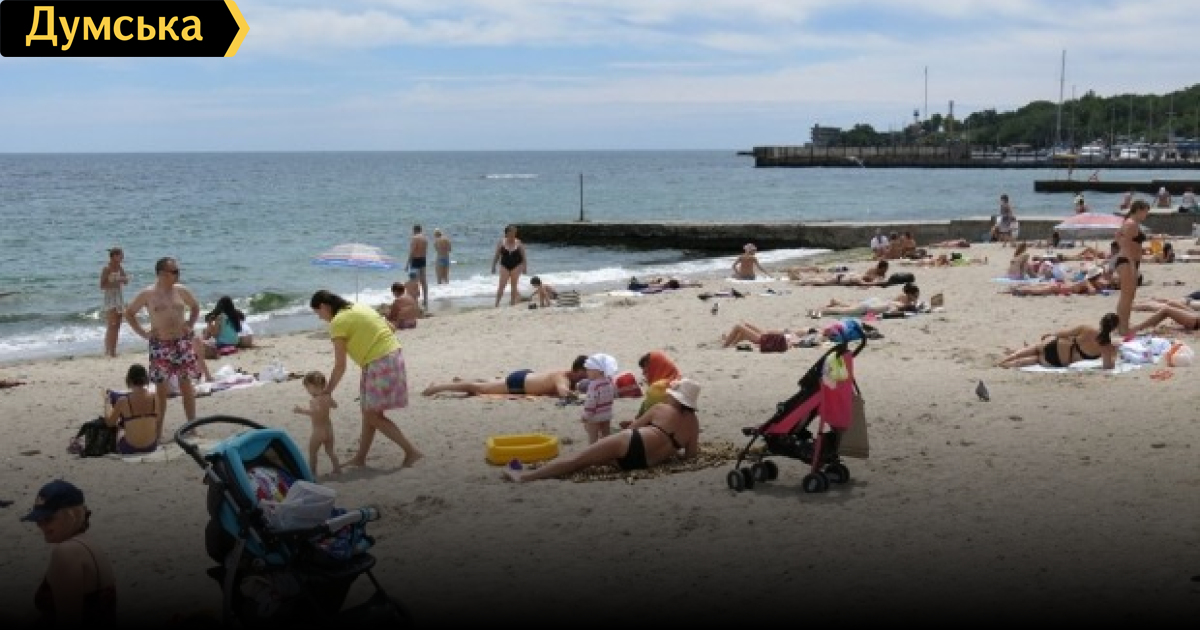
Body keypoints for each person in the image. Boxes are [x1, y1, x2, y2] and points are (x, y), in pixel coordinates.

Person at [503, 379, 701, 482]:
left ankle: (524, 477)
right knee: (587, 461)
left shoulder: (660, 409)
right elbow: (691, 455)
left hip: (630, 442)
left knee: (578, 460)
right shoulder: (693, 423)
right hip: (642, 463)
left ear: (675, 397)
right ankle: (539, 470)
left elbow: (633, 429)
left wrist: (630, 426)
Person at [309, 289, 422, 468]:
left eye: (318, 313)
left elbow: (340, 365)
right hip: (390, 356)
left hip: (379, 362)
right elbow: (391, 328)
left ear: (324, 306)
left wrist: (328, 390)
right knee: (368, 413)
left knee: (372, 416)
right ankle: (360, 458)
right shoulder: (359, 307)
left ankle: (411, 451)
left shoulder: (338, 322)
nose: (320, 318)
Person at [123, 257, 202, 442]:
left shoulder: (181, 290)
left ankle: (192, 427)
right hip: (161, 345)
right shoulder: (148, 294)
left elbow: (195, 306)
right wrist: (144, 333)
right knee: (161, 391)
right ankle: (158, 432)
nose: (177, 275)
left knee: (186, 386)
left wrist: (189, 324)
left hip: (182, 343)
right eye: (174, 272)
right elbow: (129, 313)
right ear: (161, 273)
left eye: (177, 271)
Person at [20, 480, 117, 628]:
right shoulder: (88, 544)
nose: (42, 525)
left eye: (48, 518)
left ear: (71, 515)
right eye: (38, 520)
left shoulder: (66, 553)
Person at [422, 356, 589, 398]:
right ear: (578, 370)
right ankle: (437, 388)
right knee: (476, 389)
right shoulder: (562, 377)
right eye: (585, 373)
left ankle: (461, 380)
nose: (587, 376)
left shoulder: (566, 373)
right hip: (518, 383)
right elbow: (563, 392)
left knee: (489, 383)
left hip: (526, 377)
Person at [997, 313, 1118, 369]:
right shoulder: (1107, 346)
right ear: (1114, 329)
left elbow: (1063, 333)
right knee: (1036, 359)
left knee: (1035, 348)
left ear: (1101, 322)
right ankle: (1009, 364)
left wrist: (1051, 334)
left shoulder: (1086, 328)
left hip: (1055, 344)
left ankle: (1003, 361)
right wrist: (1114, 353)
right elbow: (1108, 366)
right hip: (1058, 360)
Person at [294, 370, 343, 478]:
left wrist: (301, 411)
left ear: (313, 387)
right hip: (329, 430)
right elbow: (335, 406)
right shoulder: (327, 397)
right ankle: (337, 469)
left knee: (312, 453)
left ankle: (313, 473)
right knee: (330, 451)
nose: (307, 390)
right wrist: (329, 399)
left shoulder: (314, 401)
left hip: (318, 431)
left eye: (308, 387)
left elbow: (315, 412)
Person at [104, 363, 159, 455]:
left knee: (119, 429)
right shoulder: (155, 398)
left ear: (129, 380)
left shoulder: (123, 401)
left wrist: (107, 403)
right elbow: (157, 420)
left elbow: (110, 423)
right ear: (146, 379)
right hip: (151, 446)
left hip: (129, 447)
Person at [1115, 200, 1150, 335]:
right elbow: (1126, 244)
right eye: (1146, 211)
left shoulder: (1130, 223)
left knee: (1129, 296)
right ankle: (1123, 327)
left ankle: (1123, 325)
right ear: (1139, 210)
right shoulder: (1131, 224)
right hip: (1127, 261)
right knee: (1127, 296)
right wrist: (1131, 264)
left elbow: (1117, 236)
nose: (1146, 214)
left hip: (1129, 261)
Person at [810, 282, 921, 317]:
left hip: (870, 305)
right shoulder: (898, 304)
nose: (917, 298)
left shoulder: (897, 303)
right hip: (867, 308)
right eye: (916, 296)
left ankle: (829, 305)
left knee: (844, 310)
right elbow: (888, 314)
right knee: (840, 311)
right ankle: (817, 311)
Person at [198, 295, 254, 359]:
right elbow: (238, 329)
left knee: (205, 342)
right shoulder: (235, 315)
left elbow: (215, 335)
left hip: (223, 343)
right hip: (235, 342)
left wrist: (209, 323)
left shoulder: (220, 317)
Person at [579, 354, 617, 444]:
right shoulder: (609, 382)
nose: (587, 372)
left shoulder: (594, 385)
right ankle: (607, 449)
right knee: (606, 435)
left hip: (594, 416)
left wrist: (586, 415)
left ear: (598, 371)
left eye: (589, 369)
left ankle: (593, 449)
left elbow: (591, 402)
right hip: (607, 414)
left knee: (593, 435)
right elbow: (613, 396)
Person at [99, 247, 129, 358]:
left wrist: (123, 279)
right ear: (114, 256)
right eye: (121, 255)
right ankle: (109, 351)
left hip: (119, 297)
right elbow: (102, 285)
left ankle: (112, 350)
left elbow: (126, 281)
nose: (123, 257)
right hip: (110, 297)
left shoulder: (119, 267)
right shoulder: (106, 268)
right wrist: (115, 281)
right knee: (112, 324)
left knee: (118, 325)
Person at [491, 224, 527, 307]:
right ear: (507, 233)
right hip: (504, 265)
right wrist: (493, 266)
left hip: (516, 265)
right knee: (502, 285)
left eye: (515, 232)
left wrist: (524, 268)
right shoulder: (501, 242)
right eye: (512, 232)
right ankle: (497, 304)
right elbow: (497, 255)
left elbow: (523, 257)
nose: (514, 234)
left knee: (514, 286)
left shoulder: (519, 243)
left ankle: (512, 303)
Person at [636, 350, 681, 415]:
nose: (643, 373)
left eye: (646, 369)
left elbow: (647, 417)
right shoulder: (681, 384)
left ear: (655, 368)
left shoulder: (657, 389)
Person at [1007, 267, 1110, 296]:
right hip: (1059, 288)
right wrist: (1098, 289)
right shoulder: (1086, 282)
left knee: (1035, 288)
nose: (1101, 280)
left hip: (1060, 287)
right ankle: (1017, 290)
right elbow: (1092, 292)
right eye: (1100, 277)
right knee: (1035, 291)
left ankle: (1016, 289)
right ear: (1095, 277)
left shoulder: (1088, 283)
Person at [792, 260, 889, 286]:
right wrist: (875, 283)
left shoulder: (864, 274)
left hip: (840, 277)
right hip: (839, 278)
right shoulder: (858, 278)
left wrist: (876, 281)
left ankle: (800, 277)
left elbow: (869, 280)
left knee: (821, 279)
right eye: (885, 269)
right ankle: (801, 280)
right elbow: (863, 283)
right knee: (821, 282)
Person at [1128, 303, 1200, 334]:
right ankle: (1136, 306)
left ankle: (1137, 328)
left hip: (1195, 321)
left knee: (1166, 310)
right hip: (1196, 316)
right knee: (1172, 303)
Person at [406, 224, 430, 310]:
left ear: (414, 230)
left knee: (414, 281)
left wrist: (407, 263)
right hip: (423, 259)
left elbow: (412, 251)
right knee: (423, 281)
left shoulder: (415, 238)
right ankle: (425, 299)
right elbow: (425, 251)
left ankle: (414, 301)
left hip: (415, 260)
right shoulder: (425, 238)